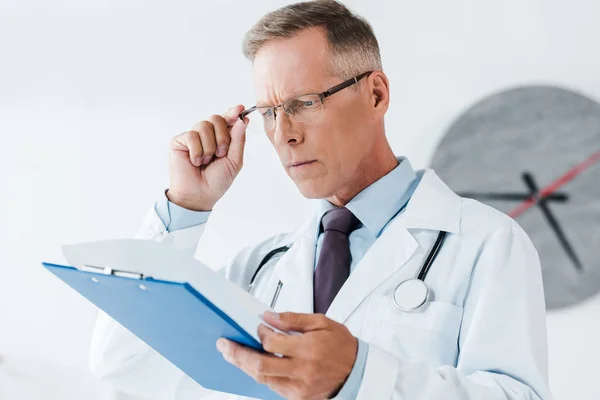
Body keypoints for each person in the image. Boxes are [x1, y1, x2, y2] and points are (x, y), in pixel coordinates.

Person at [89, 1, 554, 399]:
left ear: (376, 93)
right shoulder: (261, 268)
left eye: (305, 102)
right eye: (269, 112)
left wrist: (361, 377)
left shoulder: (486, 243)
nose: (283, 134)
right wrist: (186, 207)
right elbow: (125, 366)